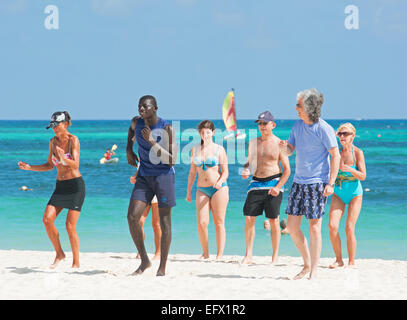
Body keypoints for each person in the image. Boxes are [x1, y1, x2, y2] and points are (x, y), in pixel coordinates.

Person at [280, 88, 340, 280]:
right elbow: (290, 150)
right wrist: (285, 148)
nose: (296, 108)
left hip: (317, 183)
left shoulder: (324, 128)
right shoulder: (297, 126)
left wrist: (331, 183)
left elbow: (335, 155)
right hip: (298, 182)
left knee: (314, 227)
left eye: (298, 104)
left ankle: (314, 271)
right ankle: (306, 264)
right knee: (291, 226)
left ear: (309, 106)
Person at [18, 111, 85, 269]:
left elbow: (75, 164)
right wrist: (30, 168)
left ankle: (76, 262)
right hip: (60, 187)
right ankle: (60, 254)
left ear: (66, 124)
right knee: (47, 220)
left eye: (57, 125)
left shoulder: (73, 140)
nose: (54, 128)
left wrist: (64, 159)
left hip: (75, 186)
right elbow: (49, 165)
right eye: (52, 125)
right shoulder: (52, 142)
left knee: (70, 226)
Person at [126, 95, 177, 276]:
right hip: (144, 177)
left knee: (164, 223)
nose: (141, 109)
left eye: (145, 107)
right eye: (139, 106)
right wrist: (128, 150)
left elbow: (172, 160)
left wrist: (152, 142)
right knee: (132, 217)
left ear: (155, 108)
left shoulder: (166, 128)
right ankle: (145, 261)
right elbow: (131, 133)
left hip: (163, 177)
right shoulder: (136, 122)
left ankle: (162, 267)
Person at [241, 111, 291, 265]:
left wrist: (278, 187)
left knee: (274, 220)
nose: (262, 126)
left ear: (273, 125)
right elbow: (249, 162)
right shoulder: (253, 142)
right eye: (260, 123)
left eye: (265, 123)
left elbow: (287, 170)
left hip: (273, 182)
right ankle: (248, 255)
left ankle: (275, 256)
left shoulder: (279, 144)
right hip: (255, 183)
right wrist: (246, 169)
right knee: (249, 218)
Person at [186, 120, 229, 261]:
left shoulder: (219, 149)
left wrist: (220, 181)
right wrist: (188, 191)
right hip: (201, 189)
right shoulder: (195, 149)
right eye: (203, 132)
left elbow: (225, 172)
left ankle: (219, 255)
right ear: (200, 133)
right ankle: (205, 253)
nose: (206, 135)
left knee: (219, 221)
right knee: (202, 223)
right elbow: (192, 172)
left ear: (213, 133)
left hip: (219, 189)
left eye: (208, 132)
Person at [328, 123, 366, 269]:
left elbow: (363, 176)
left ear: (353, 136)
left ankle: (351, 261)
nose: (342, 136)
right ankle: (339, 260)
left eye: (346, 134)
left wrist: (350, 169)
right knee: (332, 226)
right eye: (340, 134)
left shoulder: (358, 153)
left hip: (355, 193)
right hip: (339, 192)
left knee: (349, 228)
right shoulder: (335, 152)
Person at [130, 169, 161, 260]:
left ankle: (158, 252)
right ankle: (141, 251)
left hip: (157, 190)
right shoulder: (141, 156)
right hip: (143, 191)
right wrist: (135, 176)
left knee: (156, 224)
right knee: (139, 222)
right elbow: (140, 168)